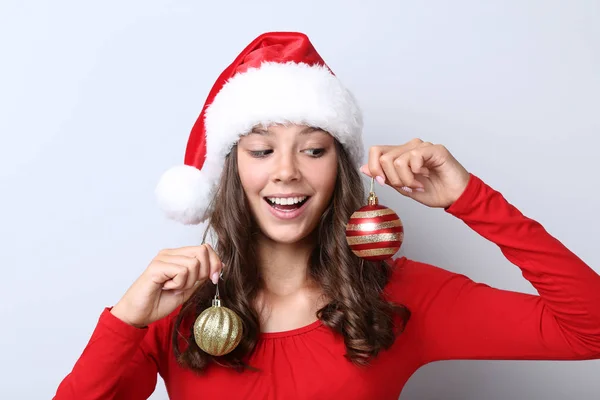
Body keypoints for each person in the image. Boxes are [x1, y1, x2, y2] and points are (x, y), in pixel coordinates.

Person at [53, 32, 600, 400]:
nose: (287, 172)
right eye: (262, 150)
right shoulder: (177, 305)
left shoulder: (401, 298)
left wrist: (469, 197)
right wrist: (126, 319)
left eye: (313, 149)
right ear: (227, 172)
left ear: (339, 169)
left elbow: (591, 332)